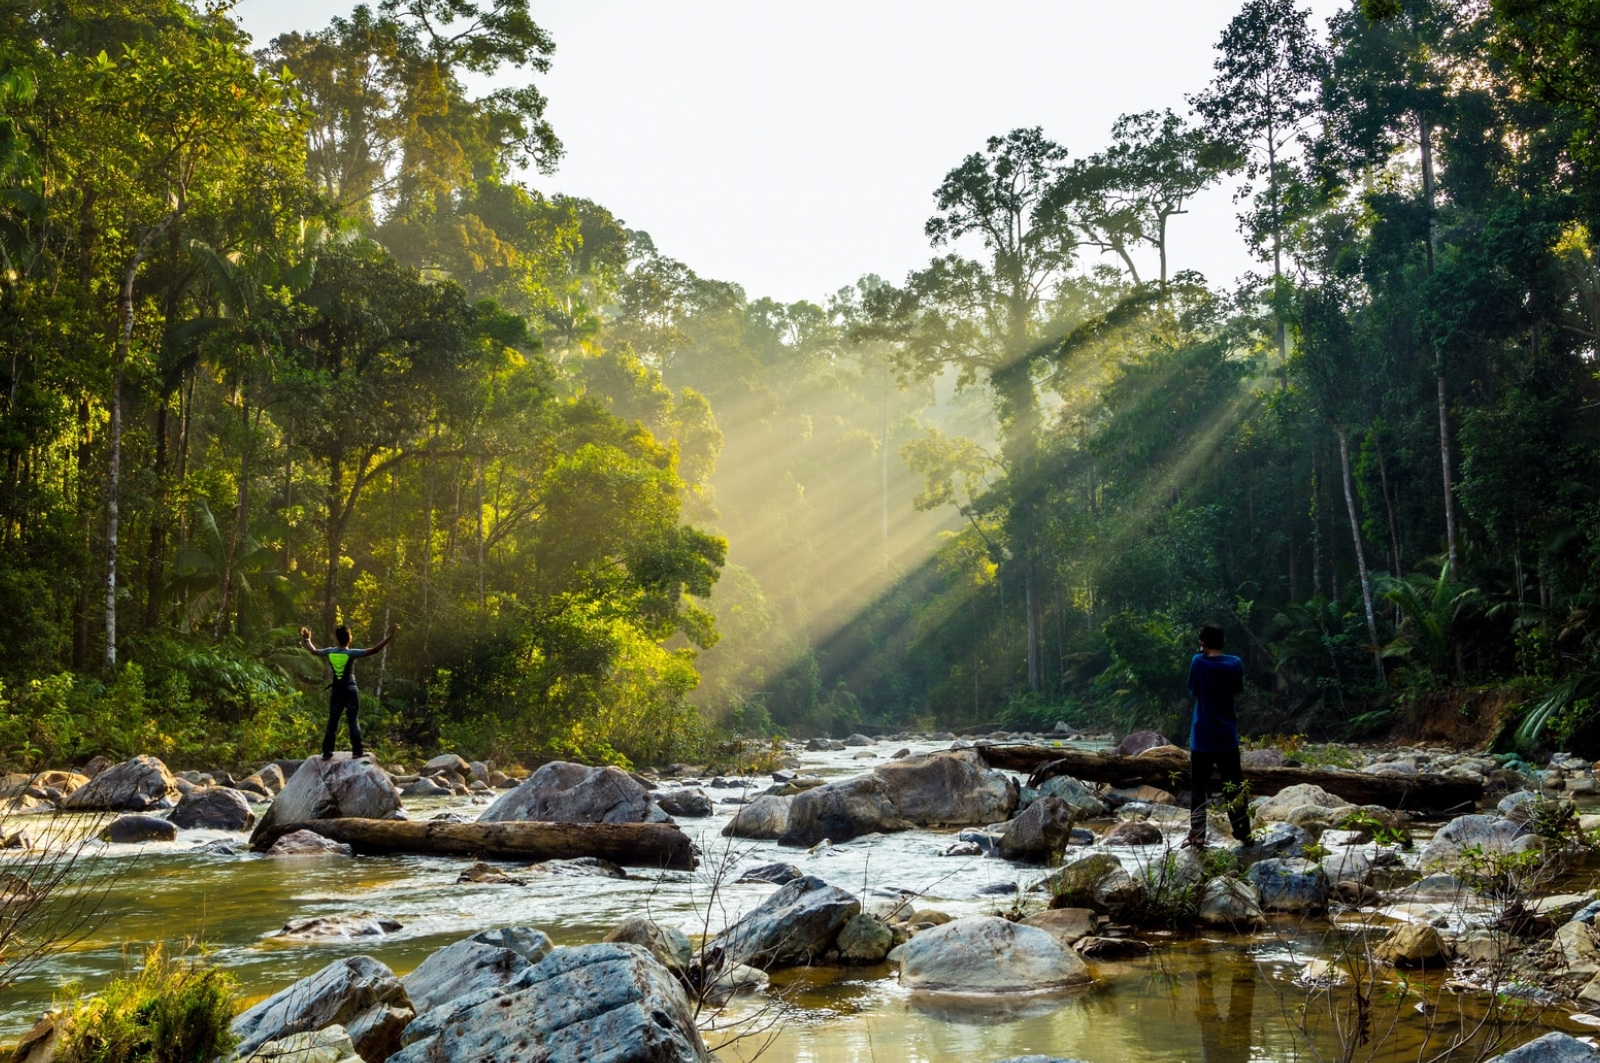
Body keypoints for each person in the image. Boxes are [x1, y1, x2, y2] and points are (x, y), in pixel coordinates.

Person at [1183, 623, 1251, 849]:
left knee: (1198, 787)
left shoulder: (1198, 662)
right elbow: (1237, 690)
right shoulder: (1235, 663)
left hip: (1202, 735)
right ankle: (1243, 832)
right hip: (1226, 735)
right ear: (1222, 642)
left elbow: (1193, 690)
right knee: (1233, 786)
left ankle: (1198, 834)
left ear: (1203, 642)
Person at [299, 621, 399, 760]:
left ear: (337, 638)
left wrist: (306, 639)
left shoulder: (330, 651)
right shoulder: (351, 653)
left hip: (337, 691)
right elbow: (375, 650)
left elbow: (314, 651)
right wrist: (390, 635)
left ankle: (327, 752)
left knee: (333, 721)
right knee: (353, 720)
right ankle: (357, 751)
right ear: (349, 638)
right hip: (351, 689)